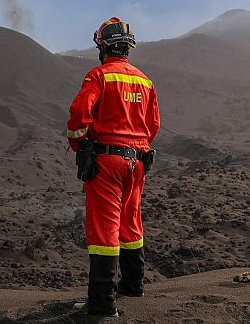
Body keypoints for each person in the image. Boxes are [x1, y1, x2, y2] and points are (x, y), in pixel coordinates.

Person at [67, 17, 161, 316]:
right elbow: (153, 125)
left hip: (106, 161)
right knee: (130, 221)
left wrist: (81, 148)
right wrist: (137, 147)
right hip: (137, 162)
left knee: (104, 227)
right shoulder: (145, 81)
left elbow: (79, 116)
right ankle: (133, 286)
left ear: (102, 46)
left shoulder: (99, 76)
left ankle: (102, 303)